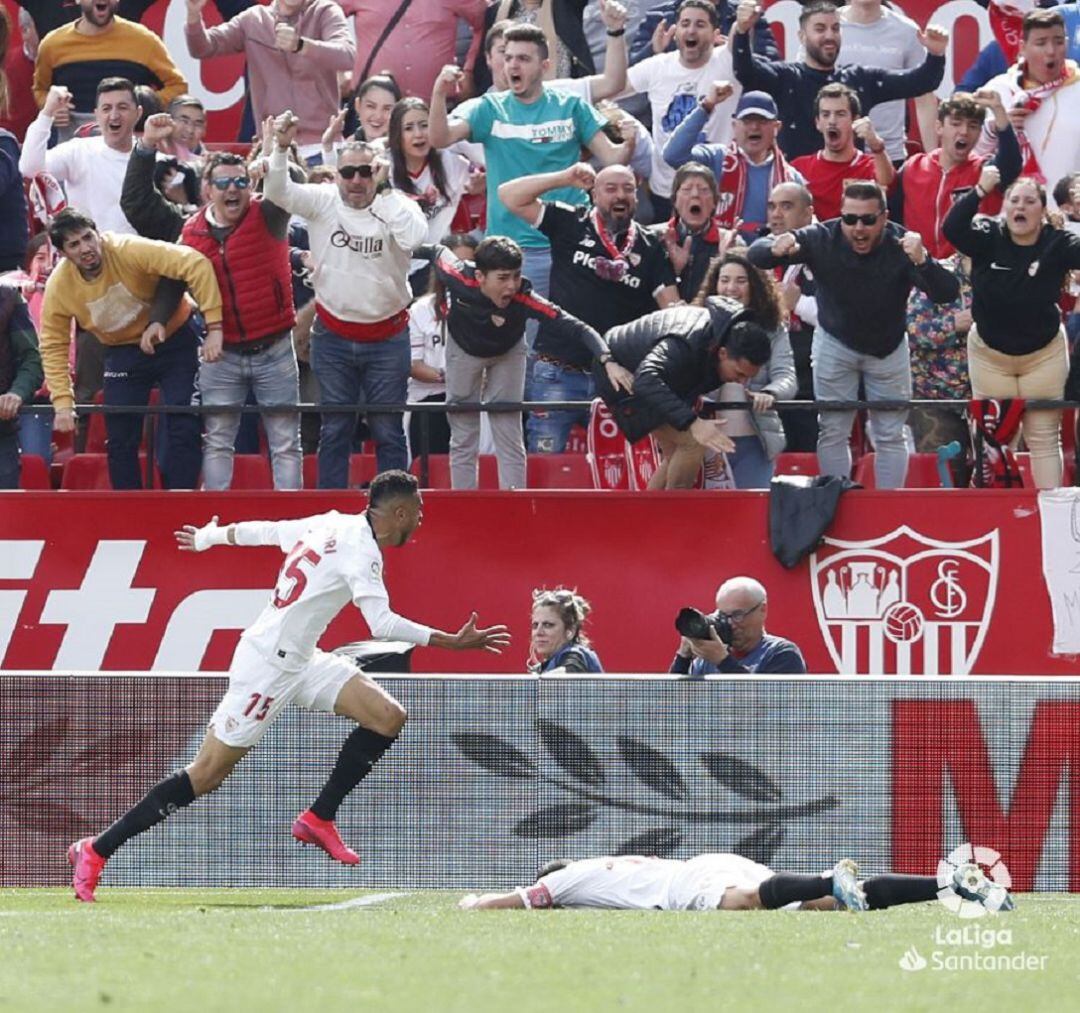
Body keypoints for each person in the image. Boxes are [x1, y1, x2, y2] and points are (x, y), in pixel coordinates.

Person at [67, 469, 512, 903]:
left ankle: (319, 817)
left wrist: (210, 538)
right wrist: (448, 641)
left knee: (387, 716)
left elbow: (267, 531)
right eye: (417, 511)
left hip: (302, 658)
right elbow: (381, 623)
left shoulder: (331, 522)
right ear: (398, 512)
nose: (420, 519)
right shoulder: (362, 551)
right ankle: (96, 849)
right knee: (206, 775)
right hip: (266, 668)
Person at [748, 181, 960, 489]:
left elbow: (947, 292)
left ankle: (887, 507)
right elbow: (757, 255)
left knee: (890, 433)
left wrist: (923, 260)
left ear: (884, 218)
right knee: (833, 430)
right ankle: (836, 499)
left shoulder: (902, 243)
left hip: (888, 348)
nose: (858, 228)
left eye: (868, 220)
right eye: (850, 219)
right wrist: (775, 246)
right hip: (836, 342)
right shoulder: (822, 237)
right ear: (841, 216)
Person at [264, 111, 428, 487]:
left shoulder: (397, 204)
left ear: (378, 172)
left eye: (365, 172)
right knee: (335, 428)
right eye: (348, 172)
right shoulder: (323, 201)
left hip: (387, 338)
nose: (356, 180)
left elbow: (414, 239)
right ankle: (330, 507)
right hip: (334, 336)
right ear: (335, 174)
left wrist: (385, 192)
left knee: (388, 430)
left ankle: (395, 507)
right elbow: (277, 192)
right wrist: (280, 148)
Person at [431, 24, 628, 308]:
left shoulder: (570, 105)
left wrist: (629, 142)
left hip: (569, 244)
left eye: (523, 58)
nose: (513, 64)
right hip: (513, 251)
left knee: (574, 335)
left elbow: (612, 158)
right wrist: (439, 94)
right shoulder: (490, 108)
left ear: (544, 66)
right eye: (508, 57)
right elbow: (440, 138)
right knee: (521, 342)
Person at [498, 160, 680, 453]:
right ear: (594, 194)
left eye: (628, 189)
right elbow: (508, 195)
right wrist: (564, 177)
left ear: (636, 198)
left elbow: (672, 309)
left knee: (621, 471)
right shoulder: (570, 221)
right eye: (610, 189)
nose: (620, 195)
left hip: (619, 379)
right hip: (558, 371)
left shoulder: (651, 245)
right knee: (546, 466)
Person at [39, 207, 223, 490]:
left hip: (175, 339)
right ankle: (130, 506)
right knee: (119, 435)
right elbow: (53, 344)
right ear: (63, 254)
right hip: (121, 351)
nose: (86, 248)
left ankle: (184, 500)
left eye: (89, 238)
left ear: (98, 235)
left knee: (183, 421)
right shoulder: (59, 286)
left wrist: (214, 327)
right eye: (74, 244)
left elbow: (194, 262)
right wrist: (63, 402)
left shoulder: (127, 248)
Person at [425, 235, 609, 490]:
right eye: (502, 278)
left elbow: (575, 327)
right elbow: (435, 249)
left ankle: (515, 503)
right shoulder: (458, 275)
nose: (511, 286)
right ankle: (463, 503)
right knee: (463, 434)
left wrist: (606, 356)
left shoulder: (526, 297)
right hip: (464, 350)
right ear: (479, 277)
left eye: (516, 275)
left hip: (508, 352)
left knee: (508, 432)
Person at [943, 167, 1080, 489]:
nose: (1020, 207)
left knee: (1044, 438)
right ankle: (996, 516)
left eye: (1029, 201)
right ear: (1004, 207)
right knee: (994, 440)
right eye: (1014, 200)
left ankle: (1051, 514)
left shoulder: (1058, 242)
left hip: (1043, 355)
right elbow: (952, 228)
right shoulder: (987, 235)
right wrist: (978, 191)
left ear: (1042, 211)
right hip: (990, 355)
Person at [180, 143, 302, 491]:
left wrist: (277, 153)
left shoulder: (268, 214)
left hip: (275, 347)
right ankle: (214, 517)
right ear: (207, 190)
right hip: (222, 353)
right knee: (218, 439)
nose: (232, 189)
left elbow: (289, 188)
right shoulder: (190, 234)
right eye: (222, 183)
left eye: (240, 181)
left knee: (285, 442)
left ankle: (291, 522)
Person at [730, 0, 948, 160]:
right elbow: (746, 72)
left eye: (835, 29)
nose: (829, 36)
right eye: (819, 29)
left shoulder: (859, 80)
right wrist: (741, 31)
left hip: (851, 193)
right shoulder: (786, 78)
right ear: (801, 37)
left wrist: (936, 55)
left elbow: (921, 82)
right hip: (799, 191)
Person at [458, 852, 1015, 914]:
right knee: (845, 903)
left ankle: (826, 876)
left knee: (742, 904)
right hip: (716, 860)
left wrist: (475, 901)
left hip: (695, 884)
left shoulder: (571, 878)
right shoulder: (619, 861)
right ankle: (955, 886)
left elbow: (525, 899)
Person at [595, 295, 771, 489]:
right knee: (693, 442)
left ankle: (648, 515)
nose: (742, 383)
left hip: (646, 375)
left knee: (678, 453)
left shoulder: (713, 340)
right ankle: (674, 512)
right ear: (722, 353)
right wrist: (693, 422)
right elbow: (645, 380)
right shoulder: (685, 344)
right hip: (619, 372)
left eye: (748, 378)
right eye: (739, 374)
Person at [185, 0, 354, 163]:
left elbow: (347, 56)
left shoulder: (325, 11)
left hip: (322, 146)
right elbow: (203, 48)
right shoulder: (254, 19)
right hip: (272, 148)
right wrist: (193, 16)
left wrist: (301, 45)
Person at [621, 0, 741, 222]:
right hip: (667, 190)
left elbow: (740, 31)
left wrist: (746, 16)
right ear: (676, 31)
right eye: (685, 23)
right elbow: (612, 87)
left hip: (717, 190)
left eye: (700, 24)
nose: (691, 30)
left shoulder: (727, 61)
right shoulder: (658, 65)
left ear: (715, 33)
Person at [693, 252, 795, 488]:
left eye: (741, 280)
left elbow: (786, 375)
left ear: (754, 285)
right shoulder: (697, 324)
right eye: (725, 280)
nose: (731, 288)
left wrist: (771, 393)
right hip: (706, 441)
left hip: (756, 444)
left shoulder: (773, 328)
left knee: (753, 512)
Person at [891, 90, 1022, 260]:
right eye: (956, 123)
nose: (964, 132)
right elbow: (891, 216)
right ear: (939, 127)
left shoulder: (984, 170)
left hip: (971, 275)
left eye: (973, 126)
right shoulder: (913, 167)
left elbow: (1011, 164)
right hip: (919, 271)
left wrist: (998, 111)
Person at [662, 86, 802, 242]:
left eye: (762, 121)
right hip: (717, 256)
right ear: (734, 126)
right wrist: (706, 106)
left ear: (776, 128)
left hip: (768, 258)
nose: (754, 127)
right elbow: (672, 155)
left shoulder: (791, 179)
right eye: (747, 120)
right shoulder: (715, 159)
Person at [974, 9, 1080, 210]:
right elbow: (972, 158)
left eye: (1058, 41)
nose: (1051, 51)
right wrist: (997, 128)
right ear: (1022, 48)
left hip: (1069, 222)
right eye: (1041, 43)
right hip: (1011, 220)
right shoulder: (997, 91)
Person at [33, 0, 187, 129]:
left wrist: (143, 107)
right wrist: (51, 109)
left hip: (129, 150)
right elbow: (40, 89)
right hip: (70, 148)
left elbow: (178, 86)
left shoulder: (144, 40)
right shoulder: (52, 45)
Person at [20, 79, 139, 235]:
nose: (114, 115)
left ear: (138, 113)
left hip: (139, 255)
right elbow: (29, 168)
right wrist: (47, 112)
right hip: (87, 254)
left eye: (122, 108)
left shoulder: (154, 159)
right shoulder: (78, 151)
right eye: (106, 109)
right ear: (96, 115)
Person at [386, 97, 472, 292]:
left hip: (435, 268)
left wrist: (477, 182)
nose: (418, 134)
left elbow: (477, 176)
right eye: (408, 128)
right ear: (396, 135)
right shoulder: (384, 169)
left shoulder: (450, 163)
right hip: (393, 272)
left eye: (424, 125)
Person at [406, 232, 479, 460]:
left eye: (469, 265)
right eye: (454, 264)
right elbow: (413, 366)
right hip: (430, 402)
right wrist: (454, 376)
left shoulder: (487, 308)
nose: (461, 271)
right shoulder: (420, 310)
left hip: (473, 401)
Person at [838, 0, 938, 161]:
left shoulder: (906, 31)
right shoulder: (827, 27)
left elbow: (924, 98)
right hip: (836, 154)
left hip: (890, 153)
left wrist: (934, 157)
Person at [340, 0, 487, 105]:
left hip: (436, 109)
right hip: (372, 111)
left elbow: (487, 20)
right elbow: (322, 18)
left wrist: (469, 71)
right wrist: (338, 72)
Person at [790, 84, 895, 223]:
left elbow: (887, 182)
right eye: (826, 114)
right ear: (817, 123)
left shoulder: (869, 165)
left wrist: (876, 146)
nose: (832, 121)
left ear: (855, 120)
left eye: (840, 114)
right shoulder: (799, 168)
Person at [765, 181, 818, 453]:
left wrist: (797, 304)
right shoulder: (761, 252)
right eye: (772, 206)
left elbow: (846, 317)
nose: (776, 214)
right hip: (771, 375)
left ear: (808, 213)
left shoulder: (825, 249)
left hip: (813, 377)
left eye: (786, 206)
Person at [670, 573, 805, 673]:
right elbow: (670, 704)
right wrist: (683, 657)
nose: (730, 624)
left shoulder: (782, 653)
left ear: (762, 610)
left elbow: (767, 705)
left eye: (737, 615)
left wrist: (723, 661)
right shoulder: (707, 659)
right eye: (723, 616)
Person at [656, 161, 738, 304]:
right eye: (687, 189)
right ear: (675, 200)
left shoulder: (730, 242)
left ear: (715, 202)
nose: (695, 195)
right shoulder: (653, 238)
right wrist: (673, 271)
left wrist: (724, 260)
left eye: (704, 190)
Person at [0, 282, 43, 488]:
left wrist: (17, 393)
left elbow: (32, 359)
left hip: (2, 431)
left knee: (6, 516)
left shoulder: (7, 298)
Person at [528, 587, 603, 673]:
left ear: (570, 632)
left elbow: (570, 672)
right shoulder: (544, 667)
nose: (538, 632)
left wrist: (537, 682)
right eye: (535, 625)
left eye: (548, 625)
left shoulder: (575, 655)